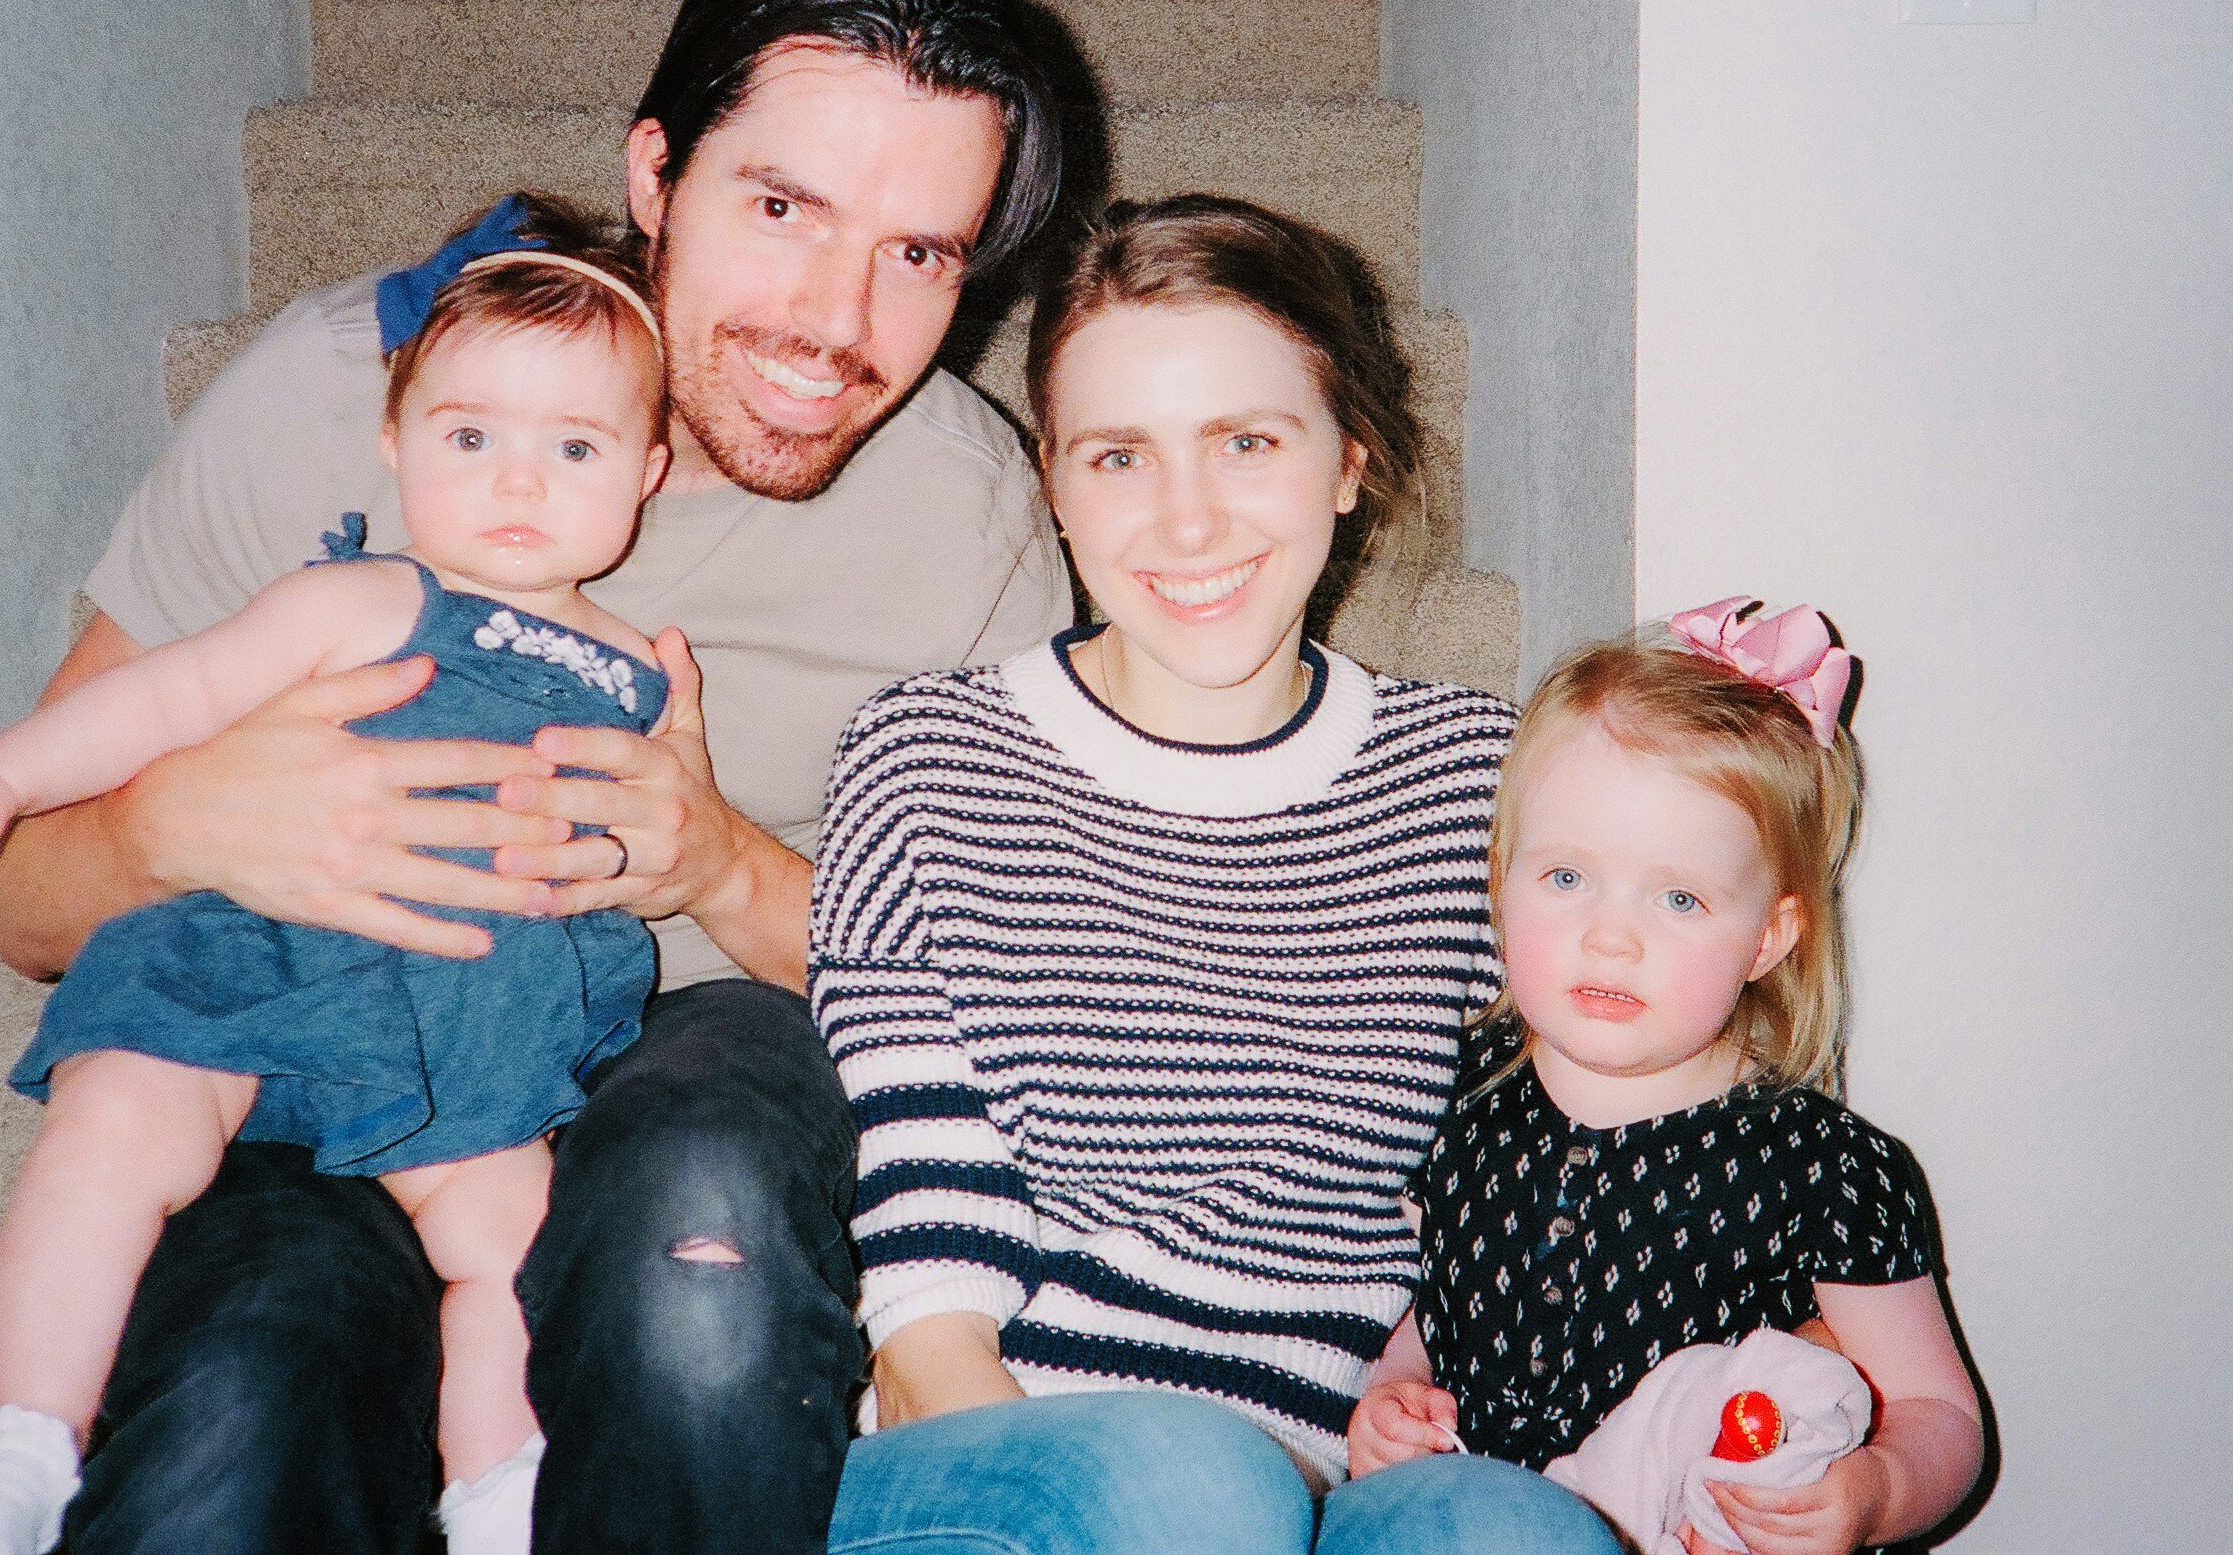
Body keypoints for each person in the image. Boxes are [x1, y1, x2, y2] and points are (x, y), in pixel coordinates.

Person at [0, 0, 1088, 1555]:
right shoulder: (346, 392)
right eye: (780, 209)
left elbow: (1006, 978)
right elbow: (13, 900)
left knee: (696, 1268)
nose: (835, 322)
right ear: (654, 174)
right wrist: (172, 828)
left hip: (696, 1047)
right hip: (319, 1035)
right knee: (233, 1422)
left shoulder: (967, 513)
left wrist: (716, 859)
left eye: (919, 253)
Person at [808, 195, 1620, 1555]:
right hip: (984, 1466)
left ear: (1348, 461)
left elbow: (1567, 1136)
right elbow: (924, 1285)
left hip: (1327, 1481)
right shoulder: (930, 757)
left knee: (1512, 1528)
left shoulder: (1481, 783)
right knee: (1188, 1485)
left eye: (1247, 442)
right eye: (1121, 456)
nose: (1189, 522)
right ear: (1055, 484)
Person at [0, 201, 672, 1555]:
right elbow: (165, 695)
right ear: (394, 439)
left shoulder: (639, 669)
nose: (515, 481)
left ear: (649, 473)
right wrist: (4, 778)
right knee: (115, 1126)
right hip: (260, 953)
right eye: (470, 434)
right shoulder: (362, 596)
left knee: (513, 1235)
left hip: (464, 1005)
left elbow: (638, 842)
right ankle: (19, 1447)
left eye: (574, 445)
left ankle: (495, 1489)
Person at [1345, 599, 1985, 1554]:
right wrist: (1393, 1394)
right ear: (1501, 876)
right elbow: (1437, 1305)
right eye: (1566, 878)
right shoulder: (1455, 1084)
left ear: (1767, 938)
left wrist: (1872, 1495)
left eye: (1679, 898)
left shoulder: (1824, 1167)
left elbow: (1941, 1412)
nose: (1610, 935)